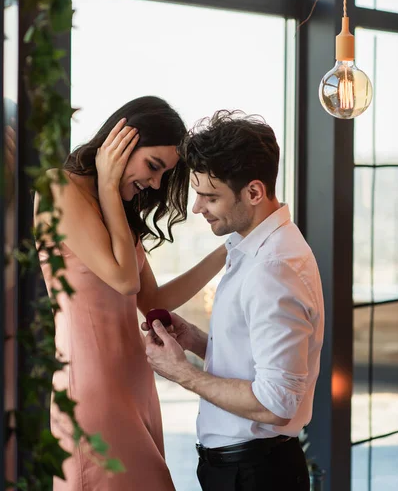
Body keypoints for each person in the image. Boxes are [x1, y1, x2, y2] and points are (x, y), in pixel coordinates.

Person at [34, 96, 227, 491]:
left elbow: (151, 299)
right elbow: (125, 280)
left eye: (163, 174)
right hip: (91, 387)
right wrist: (107, 186)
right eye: (153, 167)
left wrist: (229, 250)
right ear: (120, 141)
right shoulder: (58, 187)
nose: (155, 183)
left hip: (135, 383)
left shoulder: (119, 208)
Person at [144, 110, 325, 491]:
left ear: (254, 192)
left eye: (210, 196)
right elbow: (258, 362)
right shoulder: (253, 250)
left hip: (255, 475)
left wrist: (183, 374)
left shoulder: (273, 268)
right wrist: (195, 341)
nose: (196, 208)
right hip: (244, 470)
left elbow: (276, 403)